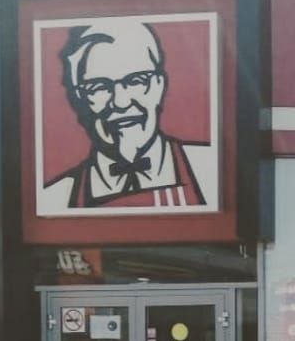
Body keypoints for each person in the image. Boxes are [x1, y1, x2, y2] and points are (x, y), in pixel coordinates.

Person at [40, 18, 214, 211]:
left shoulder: (210, 169)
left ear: (159, 85)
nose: (120, 102)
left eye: (136, 81)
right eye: (99, 87)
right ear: (80, 98)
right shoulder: (55, 198)